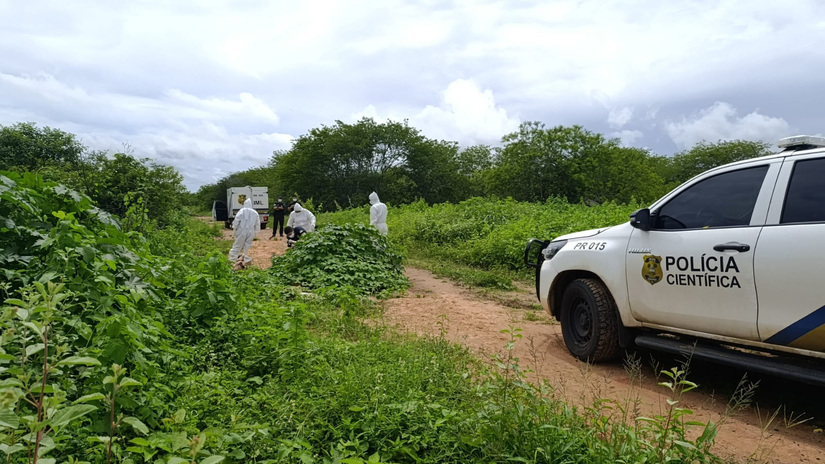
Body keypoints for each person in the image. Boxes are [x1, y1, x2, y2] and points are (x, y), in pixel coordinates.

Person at [228, 198, 260, 268]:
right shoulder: (255, 212)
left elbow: (236, 220)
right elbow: (257, 224)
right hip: (251, 231)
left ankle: (232, 261)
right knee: (247, 247)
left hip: (242, 230)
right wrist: (256, 232)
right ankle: (246, 262)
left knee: (237, 246)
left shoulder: (241, 211)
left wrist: (234, 228)